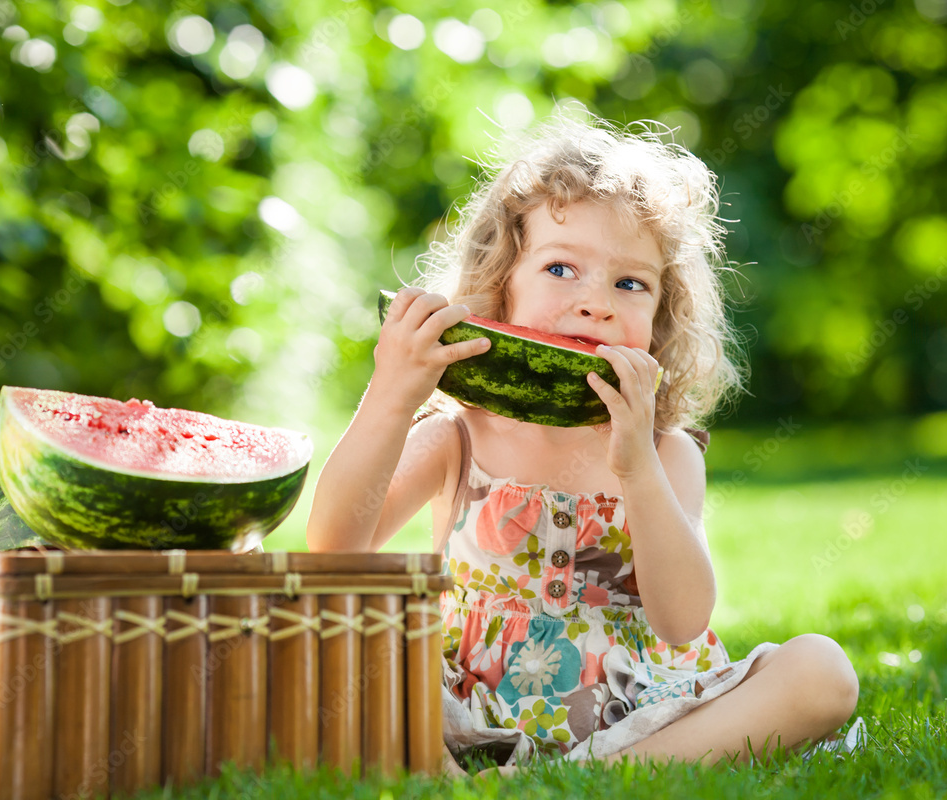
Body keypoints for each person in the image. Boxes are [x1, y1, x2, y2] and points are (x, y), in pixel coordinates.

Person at [306, 111, 859, 771]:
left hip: (643, 711)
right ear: (501, 285)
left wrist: (638, 470)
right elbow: (335, 546)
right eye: (561, 269)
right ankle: (450, 763)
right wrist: (390, 395)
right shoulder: (460, 436)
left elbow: (683, 620)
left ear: (660, 318)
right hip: (464, 707)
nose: (596, 301)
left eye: (631, 283)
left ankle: (602, 771)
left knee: (824, 672)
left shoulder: (668, 453)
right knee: (337, 641)